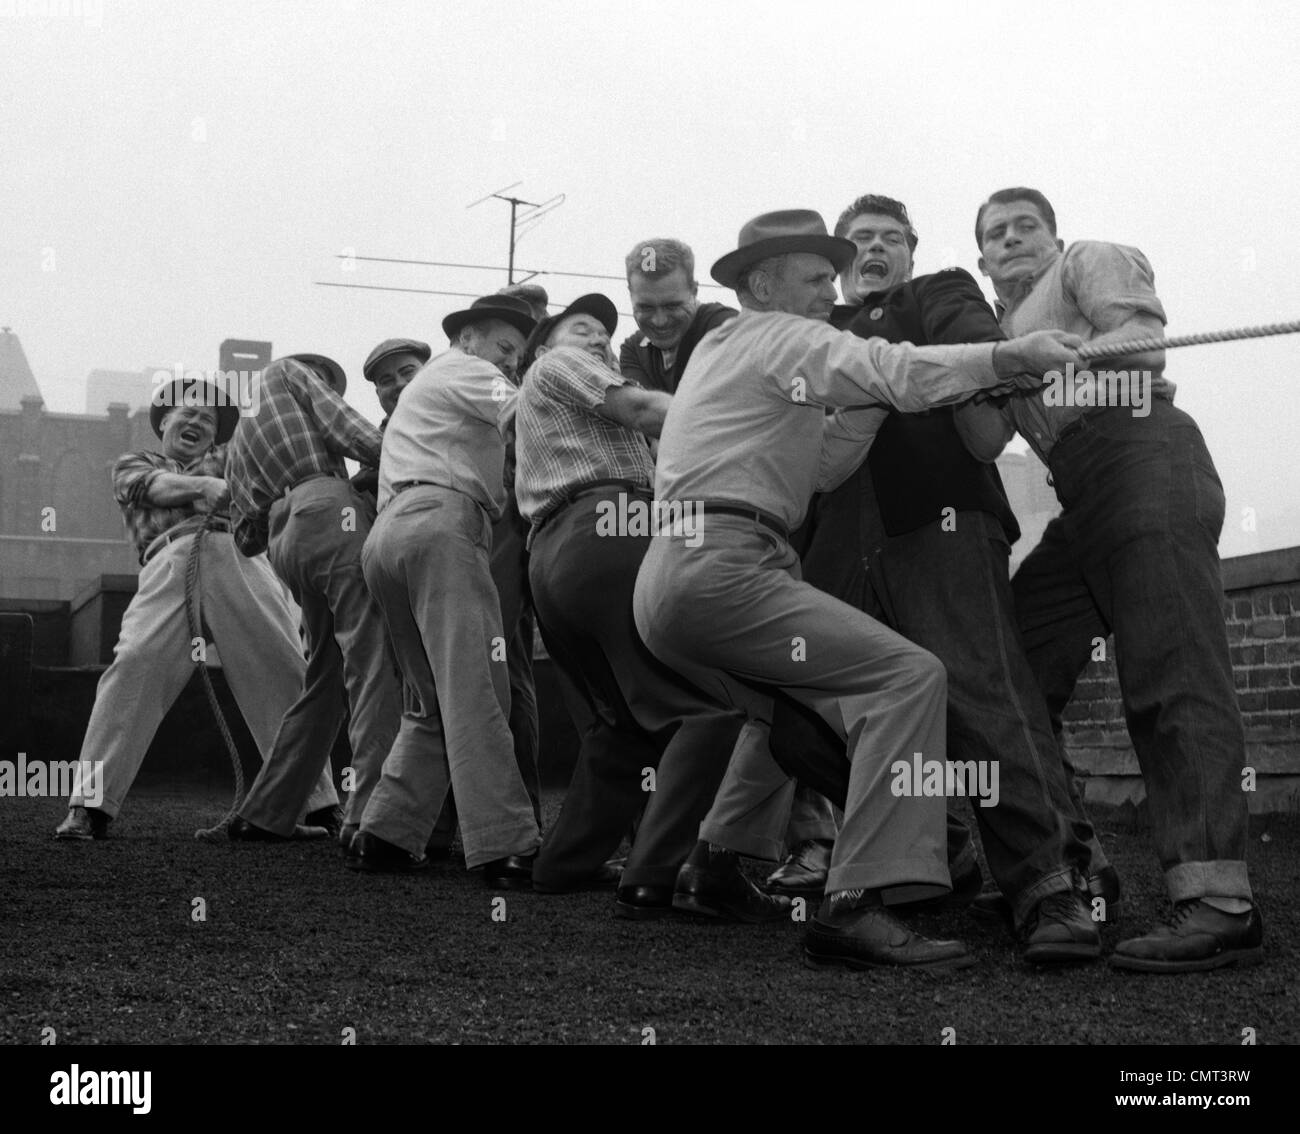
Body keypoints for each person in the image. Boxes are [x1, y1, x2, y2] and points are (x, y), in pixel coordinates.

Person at [632, 209, 1085, 970]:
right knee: (909, 678)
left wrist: (873, 403)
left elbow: (821, 470)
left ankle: (712, 867)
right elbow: (893, 369)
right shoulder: (784, 335)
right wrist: (1011, 355)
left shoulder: (721, 349)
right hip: (729, 562)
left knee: (783, 706)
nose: (828, 289)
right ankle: (860, 904)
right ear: (763, 284)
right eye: (814, 277)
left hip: (667, 587)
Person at [755, 193, 1104, 962]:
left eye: (889, 238)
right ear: (836, 262)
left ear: (912, 250)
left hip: (939, 520)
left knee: (982, 692)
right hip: (832, 544)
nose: (874, 249)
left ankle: (1051, 884)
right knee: (801, 722)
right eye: (858, 241)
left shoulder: (936, 291)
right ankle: (937, 844)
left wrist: (995, 370)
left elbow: (977, 346)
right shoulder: (805, 330)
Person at [964, 186, 1263, 972]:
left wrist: (1044, 369)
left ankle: (1218, 901)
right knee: (1014, 666)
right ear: (982, 259)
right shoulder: (999, 331)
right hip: (1080, 487)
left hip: (1142, 452)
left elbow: (1141, 346)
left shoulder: (1087, 261)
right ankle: (1065, 864)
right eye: (997, 233)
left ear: (1054, 236)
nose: (1013, 238)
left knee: (1170, 671)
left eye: (1027, 225)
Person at [515, 292, 784, 920]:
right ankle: (659, 871)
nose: (599, 341)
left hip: (553, 559)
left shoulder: (539, 409)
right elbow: (639, 406)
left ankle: (565, 864)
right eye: (583, 329)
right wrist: (735, 414)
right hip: (608, 532)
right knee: (708, 709)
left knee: (624, 726)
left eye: (606, 337)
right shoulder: (561, 366)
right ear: (545, 344)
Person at [623, 237, 840, 895]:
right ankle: (707, 860)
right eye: (644, 306)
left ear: (699, 296)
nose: (659, 318)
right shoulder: (637, 354)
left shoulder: (725, 332)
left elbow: (676, 420)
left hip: (769, 518)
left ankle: (814, 841)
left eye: (671, 304)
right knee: (773, 699)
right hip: (698, 536)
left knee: (799, 689)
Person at [54, 377, 338, 840]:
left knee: (284, 668)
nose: (198, 421)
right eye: (188, 412)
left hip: (240, 558)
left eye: (208, 419)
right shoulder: (135, 462)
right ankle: (89, 807)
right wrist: (204, 486)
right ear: (164, 420)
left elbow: (271, 473)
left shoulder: (237, 456)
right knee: (133, 667)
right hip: (168, 561)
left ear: (218, 436)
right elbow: (152, 486)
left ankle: (317, 805)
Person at [350, 294, 541, 888]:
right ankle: (504, 843)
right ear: (468, 340)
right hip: (443, 523)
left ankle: (385, 831)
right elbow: (527, 415)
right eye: (505, 348)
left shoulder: (428, 385)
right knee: (478, 685)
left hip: (387, 538)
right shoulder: (470, 371)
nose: (510, 361)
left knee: (427, 695)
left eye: (517, 354)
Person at [223, 354, 401, 842]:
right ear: (316, 377)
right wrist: (410, 454)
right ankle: (371, 816)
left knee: (325, 680)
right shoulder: (288, 371)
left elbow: (245, 539)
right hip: (329, 513)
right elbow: (352, 432)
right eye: (329, 385)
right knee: (373, 663)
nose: (329, 391)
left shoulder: (239, 441)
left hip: (287, 544)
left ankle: (267, 811)